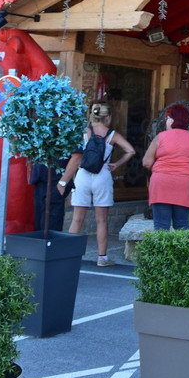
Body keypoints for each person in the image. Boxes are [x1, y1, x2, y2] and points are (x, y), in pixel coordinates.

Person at [63, 103, 135, 267]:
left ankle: (68, 256)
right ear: (108, 117)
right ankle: (102, 258)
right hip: (102, 175)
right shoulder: (112, 135)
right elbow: (131, 150)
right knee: (101, 220)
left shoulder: (85, 132)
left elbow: (75, 153)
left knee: (77, 219)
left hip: (83, 175)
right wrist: (117, 164)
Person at [142, 103, 189, 230]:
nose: (166, 121)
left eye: (167, 118)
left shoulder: (160, 137)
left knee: (161, 227)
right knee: (182, 226)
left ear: (173, 120)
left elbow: (146, 162)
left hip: (161, 184)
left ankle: (161, 251)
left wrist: (161, 168)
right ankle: (181, 251)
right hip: (184, 184)